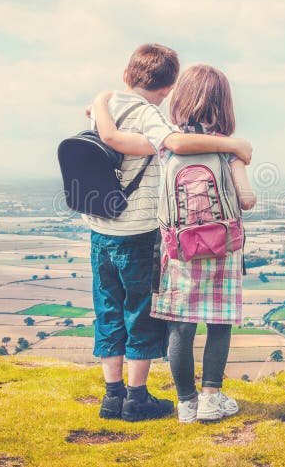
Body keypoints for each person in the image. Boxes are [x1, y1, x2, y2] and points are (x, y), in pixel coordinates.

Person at [84, 44, 253, 423]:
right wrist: (233, 147)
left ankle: (144, 399)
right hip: (171, 241)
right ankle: (153, 397)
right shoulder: (167, 133)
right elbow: (243, 197)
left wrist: (99, 101)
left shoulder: (114, 115)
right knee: (150, 318)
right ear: (168, 87)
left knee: (122, 315)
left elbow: (113, 140)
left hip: (115, 235)